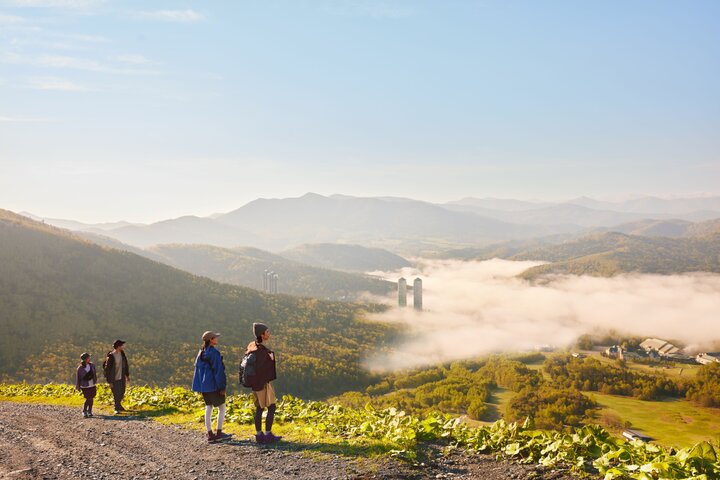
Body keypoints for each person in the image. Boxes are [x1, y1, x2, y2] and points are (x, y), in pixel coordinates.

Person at [192, 331, 232, 443]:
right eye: (215, 338)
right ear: (211, 340)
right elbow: (218, 371)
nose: (217, 339)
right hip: (213, 385)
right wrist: (222, 386)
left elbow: (197, 371)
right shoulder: (214, 353)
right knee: (222, 407)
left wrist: (199, 386)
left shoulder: (201, 352)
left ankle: (210, 434)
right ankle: (219, 433)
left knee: (208, 407)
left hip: (203, 386)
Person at [247, 322, 281, 444]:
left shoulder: (252, 346)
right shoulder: (261, 351)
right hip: (262, 383)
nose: (269, 334)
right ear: (262, 334)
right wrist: (271, 358)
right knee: (271, 407)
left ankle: (259, 435)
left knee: (259, 408)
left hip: (255, 384)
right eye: (267, 332)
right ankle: (267, 435)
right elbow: (262, 368)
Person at [103, 339, 130, 414]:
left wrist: (127, 375)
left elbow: (125, 364)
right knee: (116, 392)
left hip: (121, 376)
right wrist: (109, 381)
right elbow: (107, 369)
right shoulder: (111, 356)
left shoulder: (122, 353)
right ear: (118, 346)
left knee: (122, 391)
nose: (123, 347)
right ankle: (116, 407)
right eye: (122, 345)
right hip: (113, 378)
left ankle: (118, 405)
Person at [75, 352, 97, 418]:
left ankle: (89, 411)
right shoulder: (80, 368)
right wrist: (78, 386)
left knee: (91, 398)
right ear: (85, 359)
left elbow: (94, 374)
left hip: (92, 384)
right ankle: (84, 411)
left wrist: (95, 380)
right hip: (84, 385)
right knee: (88, 398)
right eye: (88, 358)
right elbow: (78, 378)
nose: (89, 358)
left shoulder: (92, 365)